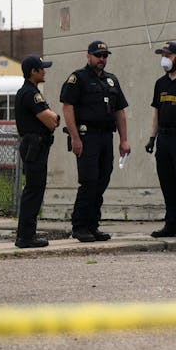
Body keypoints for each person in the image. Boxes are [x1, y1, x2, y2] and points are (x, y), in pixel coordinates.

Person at [60, 40, 131, 242]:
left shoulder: (111, 80)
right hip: (86, 136)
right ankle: (80, 226)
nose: (102, 59)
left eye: (105, 56)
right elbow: (68, 107)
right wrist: (75, 137)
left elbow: (120, 111)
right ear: (88, 55)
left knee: (102, 179)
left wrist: (124, 140)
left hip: (105, 137)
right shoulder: (78, 78)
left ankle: (93, 225)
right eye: (98, 55)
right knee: (89, 180)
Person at [146, 41, 176, 238]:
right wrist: (152, 137)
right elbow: (156, 111)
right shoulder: (160, 83)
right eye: (162, 55)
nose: (165, 59)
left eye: (169, 55)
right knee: (166, 182)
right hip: (164, 138)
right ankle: (171, 223)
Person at [13, 55, 60, 248]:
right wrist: (55, 117)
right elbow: (51, 120)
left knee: (33, 188)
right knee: (34, 189)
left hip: (33, 144)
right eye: (42, 68)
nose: (45, 71)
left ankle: (27, 234)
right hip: (35, 145)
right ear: (33, 72)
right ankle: (26, 236)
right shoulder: (32, 94)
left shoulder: (25, 91)